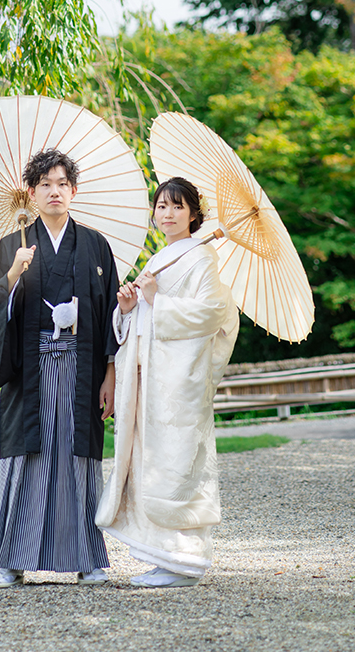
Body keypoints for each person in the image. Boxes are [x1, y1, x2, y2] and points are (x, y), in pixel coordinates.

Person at [0, 147, 119, 588]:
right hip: (30, 371)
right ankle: (10, 560)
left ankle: (87, 558)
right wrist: (13, 274)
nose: (55, 192)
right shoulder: (12, 246)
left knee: (77, 459)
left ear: (74, 191)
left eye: (62, 184)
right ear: (31, 193)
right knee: (25, 457)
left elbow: (110, 314)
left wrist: (110, 374)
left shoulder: (95, 245)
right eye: (45, 184)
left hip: (81, 370)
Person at [96, 176, 239, 587]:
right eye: (162, 206)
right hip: (150, 377)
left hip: (178, 382)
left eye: (178, 206)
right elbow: (143, 316)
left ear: (194, 214)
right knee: (150, 463)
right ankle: (161, 555)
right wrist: (127, 309)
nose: (168, 214)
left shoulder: (202, 257)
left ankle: (184, 559)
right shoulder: (163, 256)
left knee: (177, 464)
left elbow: (212, 313)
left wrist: (157, 299)